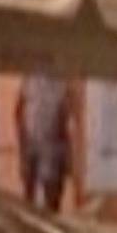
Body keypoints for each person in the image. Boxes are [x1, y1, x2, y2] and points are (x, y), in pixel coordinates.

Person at [17, 73, 73, 213]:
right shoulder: (29, 79)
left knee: (51, 197)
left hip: (52, 147)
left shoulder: (63, 83)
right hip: (32, 144)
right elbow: (18, 111)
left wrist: (67, 155)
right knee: (29, 196)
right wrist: (22, 144)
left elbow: (65, 120)